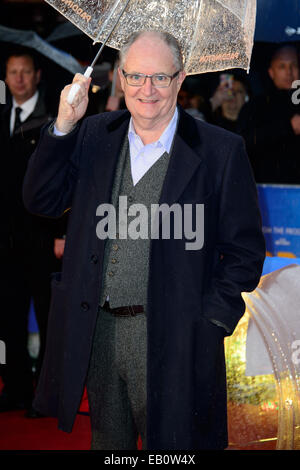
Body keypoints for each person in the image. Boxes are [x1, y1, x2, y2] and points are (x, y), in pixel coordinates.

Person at [23, 30, 265, 450]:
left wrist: (210, 321)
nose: (145, 89)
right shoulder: (95, 134)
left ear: (181, 78)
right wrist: (63, 125)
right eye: (135, 76)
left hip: (177, 337)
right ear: (119, 77)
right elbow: (41, 199)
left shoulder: (220, 151)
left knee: (174, 451)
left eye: (159, 77)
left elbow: (244, 251)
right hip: (98, 332)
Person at [0, 49, 63, 416]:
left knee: (49, 315)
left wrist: (62, 234)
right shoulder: (2, 115)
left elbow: (62, 180)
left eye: (25, 71)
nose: (19, 78)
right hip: (6, 240)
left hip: (42, 237)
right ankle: (17, 388)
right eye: (13, 72)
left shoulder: (54, 119)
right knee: (8, 317)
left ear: (37, 75)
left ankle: (50, 394)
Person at [237, 45, 300, 183]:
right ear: (271, 72)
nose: (289, 72)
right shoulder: (256, 106)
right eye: (282, 66)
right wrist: (289, 127)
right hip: (268, 189)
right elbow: (244, 141)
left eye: (293, 65)